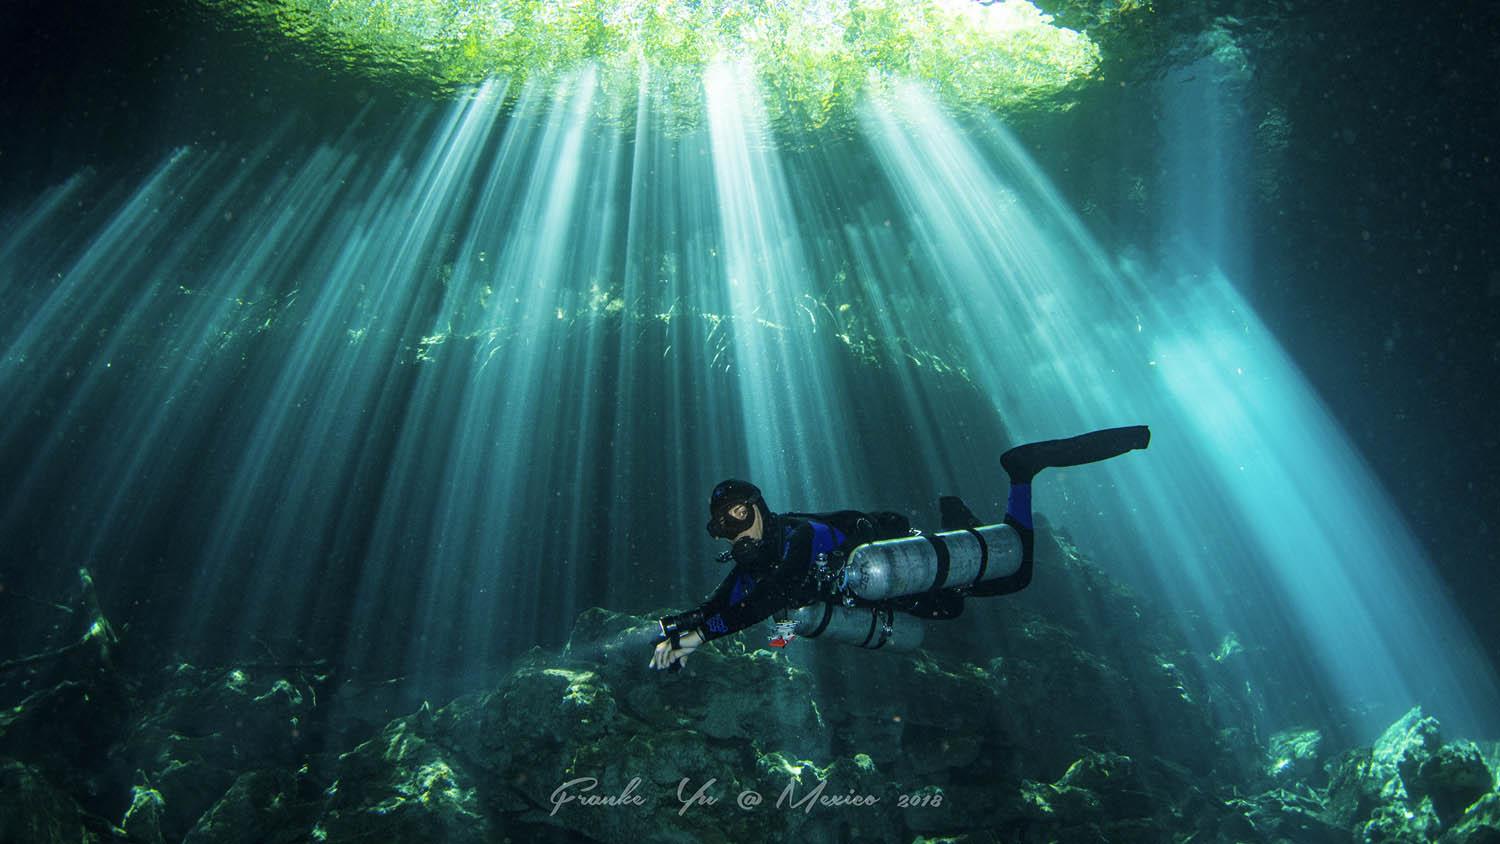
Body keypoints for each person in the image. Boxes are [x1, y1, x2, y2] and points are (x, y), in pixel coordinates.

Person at [648, 425, 1151, 670]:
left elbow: (767, 600)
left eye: (740, 513)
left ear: (760, 506)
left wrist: (701, 637)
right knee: (952, 607)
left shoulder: (796, 536)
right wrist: (676, 628)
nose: (736, 530)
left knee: (1015, 574)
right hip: (889, 595)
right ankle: (959, 520)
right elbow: (720, 604)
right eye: (723, 525)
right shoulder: (755, 565)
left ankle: (1021, 472)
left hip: (893, 569)